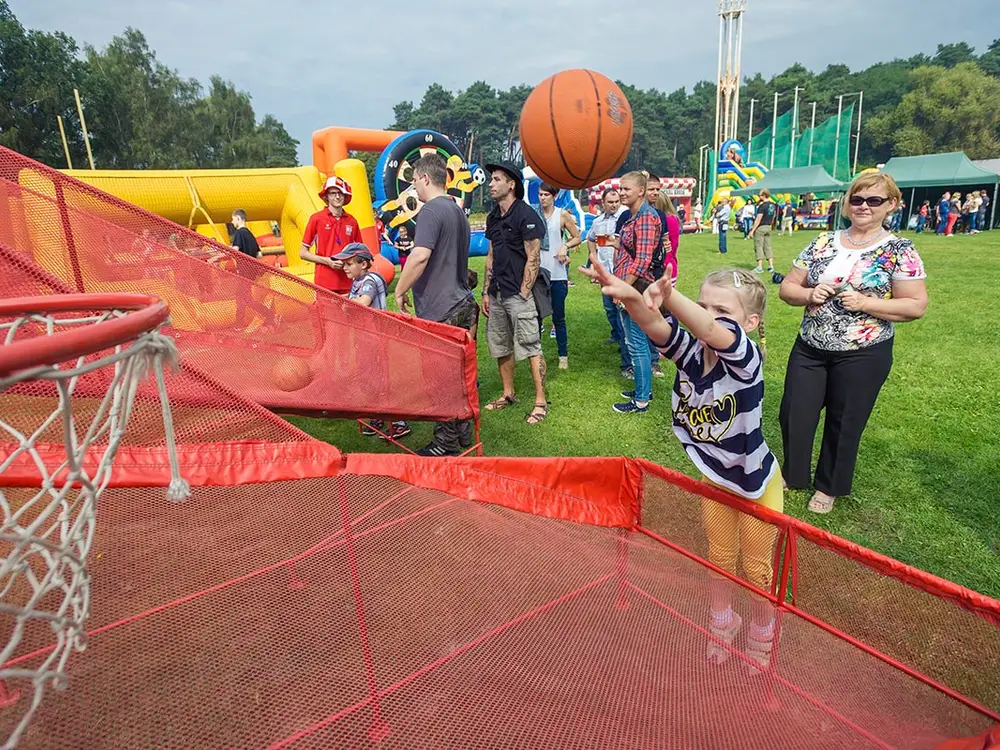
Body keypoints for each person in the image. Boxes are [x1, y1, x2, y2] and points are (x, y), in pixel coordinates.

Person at [581, 258, 781, 671]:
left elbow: (708, 330)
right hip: (715, 479)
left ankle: (763, 633)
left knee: (758, 570)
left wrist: (670, 295)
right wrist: (632, 296)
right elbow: (656, 327)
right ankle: (723, 622)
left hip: (756, 483)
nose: (709, 317)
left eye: (723, 311)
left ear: (749, 322)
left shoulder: (746, 361)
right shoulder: (694, 356)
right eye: (704, 305)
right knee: (720, 560)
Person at [778, 172, 928, 514]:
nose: (863, 206)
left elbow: (915, 305)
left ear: (891, 205)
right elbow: (787, 288)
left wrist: (866, 303)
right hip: (810, 347)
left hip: (863, 352)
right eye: (857, 199)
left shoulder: (899, 250)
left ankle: (829, 486)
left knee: (845, 421)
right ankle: (793, 472)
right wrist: (807, 293)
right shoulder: (821, 242)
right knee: (794, 413)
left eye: (873, 200)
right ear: (847, 203)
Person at [393, 153, 478, 456]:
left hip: (441, 307)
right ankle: (463, 433)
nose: (413, 187)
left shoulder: (430, 211)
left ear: (425, 178)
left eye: (414, 180)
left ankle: (445, 444)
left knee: (439, 380)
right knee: (460, 377)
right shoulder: (457, 210)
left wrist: (400, 290)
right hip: (463, 301)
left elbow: (420, 256)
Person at [481, 162, 548, 425]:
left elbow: (533, 256)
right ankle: (508, 393)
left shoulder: (526, 214)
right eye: (491, 179)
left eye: (496, 179)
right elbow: (491, 255)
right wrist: (486, 291)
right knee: (501, 345)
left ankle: (540, 401)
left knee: (531, 346)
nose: (491, 184)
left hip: (518, 295)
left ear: (511, 184)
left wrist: (523, 292)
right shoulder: (492, 217)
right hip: (496, 294)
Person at [337, 242, 411, 441]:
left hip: (376, 339)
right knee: (369, 379)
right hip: (364, 339)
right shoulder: (358, 280)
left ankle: (398, 422)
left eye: (348, 263)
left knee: (381, 381)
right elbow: (354, 296)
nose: (344, 267)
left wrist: (344, 304)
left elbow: (363, 302)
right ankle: (379, 416)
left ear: (363, 264)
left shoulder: (369, 279)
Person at [610, 171, 660, 414]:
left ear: (641, 191)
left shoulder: (646, 218)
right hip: (630, 286)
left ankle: (641, 400)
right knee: (633, 342)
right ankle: (643, 388)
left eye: (626, 189)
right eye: (620, 188)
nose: (621, 192)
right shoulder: (633, 216)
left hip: (637, 289)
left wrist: (622, 289)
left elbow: (642, 261)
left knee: (638, 344)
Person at [537, 182, 582, 370]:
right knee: (536, 317)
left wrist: (565, 246)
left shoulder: (562, 214)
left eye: (546, 194)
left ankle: (563, 355)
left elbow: (577, 236)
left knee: (558, 317)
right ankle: (536, 355)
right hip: (538, 273)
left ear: (554, 196)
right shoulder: (533, 214)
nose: (542, 198)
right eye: (540, 194)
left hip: (557, 273)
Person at [300, 176, 360, 294]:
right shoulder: (316, 219)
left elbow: (359, 252)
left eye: (340, 193)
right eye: (333, 193)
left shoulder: (352, 221)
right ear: (326, 196)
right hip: (324, 282)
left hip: (348, 282)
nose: (337, 196)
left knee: (347, 313)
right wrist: (327, 261)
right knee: (326, 313)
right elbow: (303, 253)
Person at [586, 187, 626, 347]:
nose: (614, 205)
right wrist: (593, 256)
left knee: (621, 307)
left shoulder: (624, 218)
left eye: (616, 201)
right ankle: (616, 334)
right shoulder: (598, 222)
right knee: (609, 308)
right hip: (604, 270)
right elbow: (590, 238)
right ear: (603, 202)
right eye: (610, 202)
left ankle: (624, 339)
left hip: (621, 271)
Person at [748, 189, 776, 274]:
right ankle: (771, 266)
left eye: (760, 195)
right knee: (768, 246)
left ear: (764, 195)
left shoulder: (762, 206)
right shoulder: (772, 205)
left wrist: (752, 230)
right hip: (768, 227)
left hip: (761, 228)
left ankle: (759, 267)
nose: (759, 196)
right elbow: (773, 216)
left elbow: (758, 219)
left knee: (758, 246)